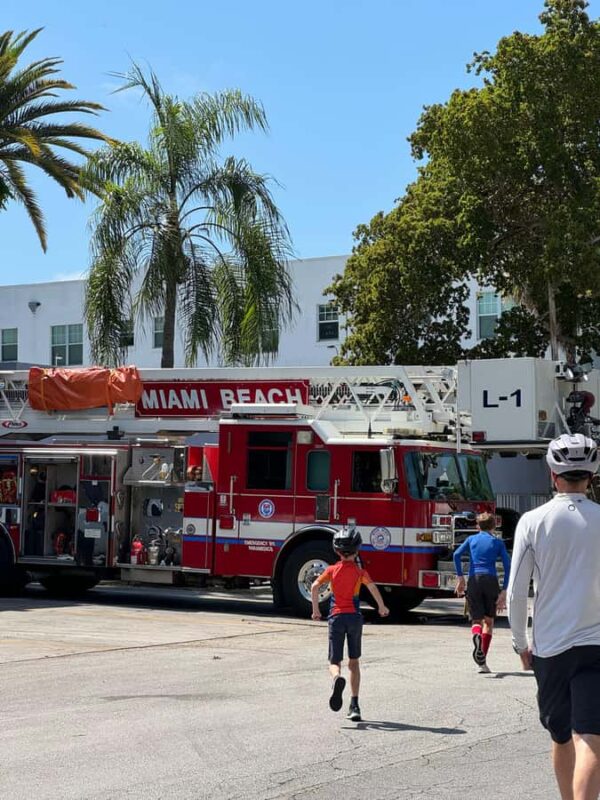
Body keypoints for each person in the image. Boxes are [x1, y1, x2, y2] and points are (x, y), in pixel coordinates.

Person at [508, 433, 600, 800]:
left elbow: (516, 591)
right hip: (597, 644)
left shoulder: (532, 521)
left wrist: (519, 642)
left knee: (560, 735)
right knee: (590, 738)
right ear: (591, 475)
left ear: (552, 474)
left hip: (550, 647)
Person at [311, 527, 389, 721]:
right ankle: (354, 705)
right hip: (354, 618)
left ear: (337, 551)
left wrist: (316, 610)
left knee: (334, 661)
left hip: (336, 618)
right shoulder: (360, 572)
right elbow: (373, 589)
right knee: (353, 662)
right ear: (357, 550)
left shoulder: (331, 570)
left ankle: (337, 678)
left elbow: (314, 587)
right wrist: (381, 607)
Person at [453, 511, 511, 673]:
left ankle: (476, 636)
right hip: (490, 580)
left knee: (476, 620)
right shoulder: (498, 543)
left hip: (474, 580)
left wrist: (460, 578)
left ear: (477, 526)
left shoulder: (471, 540)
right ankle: (482, 660)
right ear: (494, 526)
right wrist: (504, 590)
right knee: (489, 621)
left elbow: (457, 555)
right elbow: (508, 566)